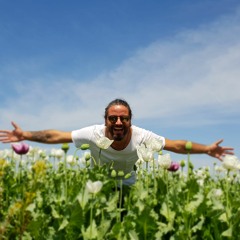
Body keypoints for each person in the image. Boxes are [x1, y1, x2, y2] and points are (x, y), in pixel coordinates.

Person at [0, 98, 234, 185]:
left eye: (124, 118)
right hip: (96, 185)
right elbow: (55, 136)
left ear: (131, 120)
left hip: (128, 186)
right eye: (114, 118)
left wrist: (207, 150)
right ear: (106, 120)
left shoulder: (143, 137)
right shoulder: (93, 134)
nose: (119, 122)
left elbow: (176, 145)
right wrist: (26, 135)